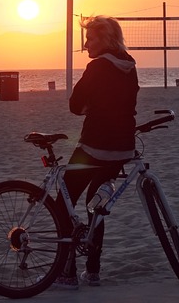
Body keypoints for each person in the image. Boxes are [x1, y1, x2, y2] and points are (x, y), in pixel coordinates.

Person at [53, 16, 139, 289]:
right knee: (95, 206)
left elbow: (75, 105)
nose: (86, 44)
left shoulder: (97, 67)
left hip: (93, 147)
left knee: (62, 205)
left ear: (104, 40)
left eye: (90, 38)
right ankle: (93, 271)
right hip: (123, 148)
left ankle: (66, 271)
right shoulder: (130, 65)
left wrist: (91, 108)